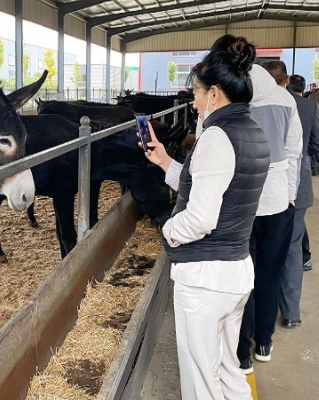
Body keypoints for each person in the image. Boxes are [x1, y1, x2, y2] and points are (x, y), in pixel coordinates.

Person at [143, 35, 270, 399]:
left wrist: (168, 231)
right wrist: (167, 164)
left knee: (200, 381)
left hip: (205, 280)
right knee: (229, 372)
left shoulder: (217, 136)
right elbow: (219, 186)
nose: (194, 103)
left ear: (214, 94)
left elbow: (200, 218)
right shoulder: (252, 130)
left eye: (196, 94)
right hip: (235, 271)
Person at [230, 53, 302, 372]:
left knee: (241, 277)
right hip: (276, 202)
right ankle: (264, 342)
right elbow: (294, 151)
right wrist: (289, 193)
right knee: (269, 274)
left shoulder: (230, 99)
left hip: (241, 203)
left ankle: (242, 352)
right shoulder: (285, 98)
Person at [268, 71, 319, 328]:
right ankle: (291, 313)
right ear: (285, 80)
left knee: (263, 245)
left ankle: (261, 312)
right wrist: (306, 161)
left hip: (266, 185)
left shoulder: (260, 102)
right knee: (292, 247)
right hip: (298, 184)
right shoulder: (309, 105)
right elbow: (316, 143)